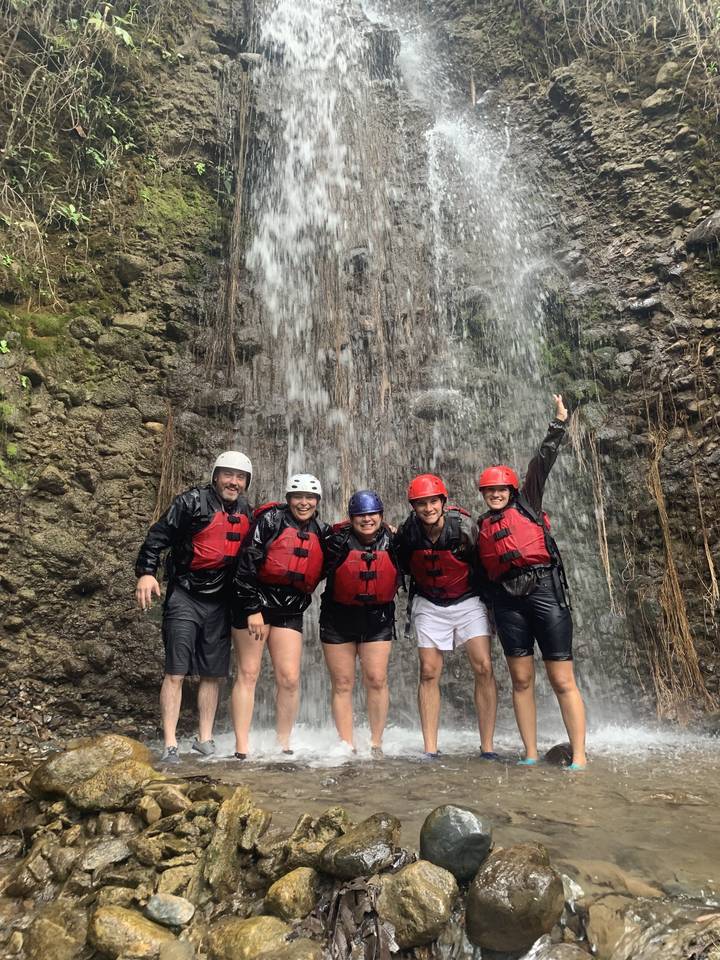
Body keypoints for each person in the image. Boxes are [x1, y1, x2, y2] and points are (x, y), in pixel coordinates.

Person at [476, 394, 587, 770]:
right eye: (490, 490)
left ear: (510, 490)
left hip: (543, 591)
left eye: (500, 489)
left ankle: (581, 757)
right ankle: (530, 753)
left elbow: (543, 461)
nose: (495, 494)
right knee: (521, 678)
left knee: (560, 677)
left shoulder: (528, 502)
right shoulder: (481, 528)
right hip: (507, 602)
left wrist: (558, 423)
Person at [135, 451, 253, 764]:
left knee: (212, 674)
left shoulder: (246, 511)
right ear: (216, 477)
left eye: (240, 477)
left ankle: (205, 739)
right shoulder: (189, 503)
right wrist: (147, 573)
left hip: (220, 601)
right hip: (186, 594)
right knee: (175, 670)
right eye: (228, 475)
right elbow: (157, 538)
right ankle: (171, 743)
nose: (233, 482)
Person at [394, 475, 498, 759]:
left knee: (484, 666)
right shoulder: (408, 533)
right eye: (421, 503)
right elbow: (396, 562)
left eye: (433, 501)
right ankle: (430, 749)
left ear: (443, 502)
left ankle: (487, 747)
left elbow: (487, 563)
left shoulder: (465, 528)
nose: (428, 508)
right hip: (429, 602)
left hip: (467, 600)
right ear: (413, 507)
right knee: (428, 671)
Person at [231, 474, 328, 758]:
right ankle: (241, 746)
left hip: (289, 609)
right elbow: (246, 563)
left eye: (310, 497)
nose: (304, 502)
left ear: (318, 501)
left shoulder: (321, 531)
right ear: (288, 499)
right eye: (298, 496)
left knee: (289, 678)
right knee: (248, 673)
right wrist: (252, 608)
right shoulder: (270, 521)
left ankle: (283, 742)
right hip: (254, 603)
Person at [320, 490, 400, 757]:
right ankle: (347, 743)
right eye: (361, 515)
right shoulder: (336, 541)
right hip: (338, 618)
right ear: (352, 518)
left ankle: (376, 742)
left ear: (381, 515)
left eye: (372, 514)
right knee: (343, 682)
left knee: (377, 679)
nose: (367, 520)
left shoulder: (395, 541)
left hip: (377, 618)